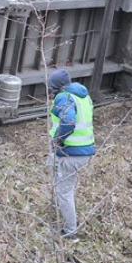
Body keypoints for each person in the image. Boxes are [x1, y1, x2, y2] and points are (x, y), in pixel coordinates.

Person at [47, 68, 95, 239]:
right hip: (84, 152)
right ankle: (57, 210)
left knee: (64, 191)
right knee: (52, 166)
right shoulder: (82, 96)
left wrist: (59, 141)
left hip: (71, 153)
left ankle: (70, 232)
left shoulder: (63, 97)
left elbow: (68, 122)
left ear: (56, 87)